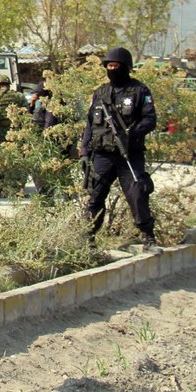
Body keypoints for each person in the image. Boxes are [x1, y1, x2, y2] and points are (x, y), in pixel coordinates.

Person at [79, 47, 160, 250]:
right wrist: (84, 151)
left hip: (129, 154)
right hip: (102, 154)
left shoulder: (140, 91)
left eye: (115, 66)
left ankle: (147, 236)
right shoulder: (100, 93)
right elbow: (90, 124)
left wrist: (130, 134)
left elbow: (150, 120)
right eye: (109, 66)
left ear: (125, 67)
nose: (111, 69)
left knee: (137, 193)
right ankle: (87, 238)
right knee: (94, 196)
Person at [0, 73, 27, 196]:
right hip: (17, 133)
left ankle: (4, 188)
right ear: (9, 84)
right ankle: (19, 188)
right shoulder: (19, 96)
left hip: (1, 134)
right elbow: (26, 111)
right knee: (18, 160)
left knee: (2, 160)